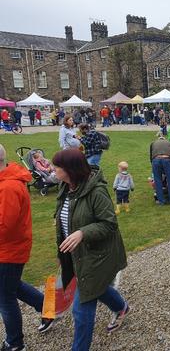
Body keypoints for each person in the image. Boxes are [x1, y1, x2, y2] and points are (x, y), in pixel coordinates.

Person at [52, 148, 129, 351]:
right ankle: (122, 307)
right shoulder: (65, 187)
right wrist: (61, 254)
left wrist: (82, 233)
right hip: (76, 255)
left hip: (98, 256)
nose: (54, 170)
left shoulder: (96, 191)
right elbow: (62, 221)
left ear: (70, 169)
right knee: (98, 288)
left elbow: (109, 223)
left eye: (57, 167)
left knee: (81, 309)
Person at [0, 145, 53, 351]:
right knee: (12, 286)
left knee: (5, 297)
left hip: (9, 251)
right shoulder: (6, 183)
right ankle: (48, 309)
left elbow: (5, 226)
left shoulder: (8, 188)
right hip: (11, 248)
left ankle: (15, 342)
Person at [150, 131, 170, 205]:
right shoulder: (169, 142)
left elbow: (151, 155)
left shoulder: (153, 143)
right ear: (164, 138)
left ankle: (161, 201)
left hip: (156, 160)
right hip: (167, 159)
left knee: (158, 180)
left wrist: (153, 164)